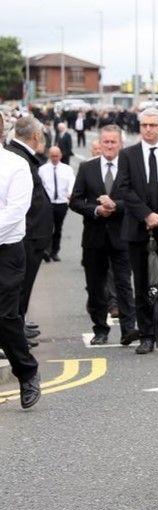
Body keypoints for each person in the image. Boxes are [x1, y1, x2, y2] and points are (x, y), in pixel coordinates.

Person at [113, 107, 158, 355]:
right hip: (137, 227)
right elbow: (124, 188)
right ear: (139, 127)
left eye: (153, 125)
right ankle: (146, 335)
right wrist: (146, 214)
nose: (148, 129)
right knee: (143, 281)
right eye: (144, 125)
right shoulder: (128, 155)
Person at [69, 124, 139, 347]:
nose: (109, 146)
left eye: (113, 142)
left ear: (120, 144)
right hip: (94, 237)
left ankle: (129, 329)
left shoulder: (130, 169)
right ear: (99, 144)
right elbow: (76, 201)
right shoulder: (86, 168)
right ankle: (100, 329)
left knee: (124, 285)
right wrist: (97, 210)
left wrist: (115, 206)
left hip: (122, 236)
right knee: (96, 286)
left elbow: (137, 200)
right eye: (105, 142)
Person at [0, 113, 42, 408]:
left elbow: (15, 212)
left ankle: (27, 371)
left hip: (7, 251)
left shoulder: (15, 165)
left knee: (5, 317)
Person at [6, 116, 53, 336]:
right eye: (42, 134)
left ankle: (19, 324)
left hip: (32, 234)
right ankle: (16, 331)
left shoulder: (22, 155)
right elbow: (21, 205)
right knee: (18, 289)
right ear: (35, 136)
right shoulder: (19, 158)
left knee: (22, 289)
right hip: (26, 235)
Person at [37, 146, 74, 262]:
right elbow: (40, 186)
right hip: (48, 203)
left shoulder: (67, 169)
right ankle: (46, 251)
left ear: (61, 156)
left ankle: (55, 252)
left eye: (56, 156)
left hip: (62, 202)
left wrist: (70, 193)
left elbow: (72, 182)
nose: (54, 158)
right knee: (48, 227)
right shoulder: (42, 169)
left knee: (58, 228)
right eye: (52, 156)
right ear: (49, 156)